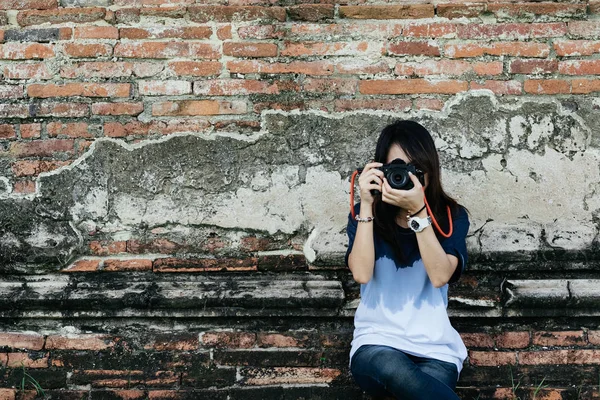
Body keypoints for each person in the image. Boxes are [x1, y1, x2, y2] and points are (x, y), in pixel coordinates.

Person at [345, 120, 470, 400]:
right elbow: (362, 274)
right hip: (376, 344)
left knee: (420, 388)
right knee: (395, 370)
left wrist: (419, 213)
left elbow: (440, 276)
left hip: (436, 351)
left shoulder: (451, 216)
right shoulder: (365, 214)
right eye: (397, 168)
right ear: (380, 170)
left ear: (429, 169)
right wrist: (366, 204)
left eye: (415, 169)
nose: (406, 176)